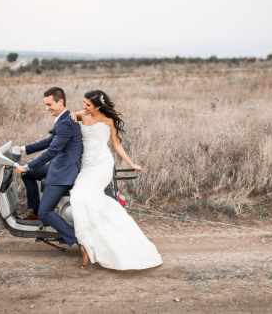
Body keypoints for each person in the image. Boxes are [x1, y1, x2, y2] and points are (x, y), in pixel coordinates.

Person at [69, 90, 162, 270]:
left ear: (98, 106)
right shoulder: (82, 115)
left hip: (102, 165)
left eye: (88, 105)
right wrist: (72, 114)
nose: (83, 107)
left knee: (86, 196)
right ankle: (87, 241)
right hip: (87, 166)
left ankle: (91, 243)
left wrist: (132, 163)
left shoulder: (109, 120)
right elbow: (71, 116)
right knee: (78, 196)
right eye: (83, 103)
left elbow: (116, 144)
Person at [13, 87, 90, 266]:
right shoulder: (63, 119)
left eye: (49, 104)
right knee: (29, 176)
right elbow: (50, 141)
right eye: (46, 105)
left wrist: (27, 165)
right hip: (59, 167)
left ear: (60, 102)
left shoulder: (65, 123)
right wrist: (23, 149)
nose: (47, 108)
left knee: (46, 212)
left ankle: (80, 243)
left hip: (63, 173)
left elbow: (53, 150)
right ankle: (35, 213)